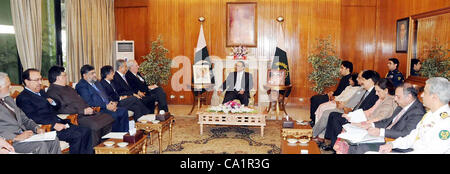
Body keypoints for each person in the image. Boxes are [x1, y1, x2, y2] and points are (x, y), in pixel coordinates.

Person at [16, 69, 93, 154]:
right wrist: (54, 125)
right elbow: (31, 118)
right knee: (77, 135)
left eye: (40, 79)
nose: (40, 82)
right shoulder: (23, 98)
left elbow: (56, 107)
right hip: (47, 128)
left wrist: (52, 102)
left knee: (86, 130)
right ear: (27, 81)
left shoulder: (41, 92)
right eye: (36, 80)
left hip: (59, 121)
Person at [378, 77, 450, 154]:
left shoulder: (446, 122)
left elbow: (432, 151)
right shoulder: (429, 115)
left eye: (425, 92)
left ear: (434, 97)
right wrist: (392, 144)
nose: (421, 95)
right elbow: (413, 137)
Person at [348, 83, 425, 154]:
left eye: (398, 96)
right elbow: (387, 122)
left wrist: (381, 132)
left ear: (409, 97)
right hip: (385, 137)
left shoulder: (417, 111)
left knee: (360, 147)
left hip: (395, 143)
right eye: (395, 96)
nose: (395, 99)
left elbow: (406, 133)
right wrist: (370, 125)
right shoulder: (401, 105)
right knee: (354, 144)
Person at [47, 66, 115, 146]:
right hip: (77, 116)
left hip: (87, 113)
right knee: (94, 125)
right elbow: (61, 109)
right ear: (58, 78)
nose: (66, 77)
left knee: (108, 118)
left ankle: (100, 144)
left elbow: (81, 101)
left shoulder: (69, 88)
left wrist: (88, 108)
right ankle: (93, 148)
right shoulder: (52, 91)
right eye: (64, 75)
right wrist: (82, 111)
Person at [0, 72, 60, 154]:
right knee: (40, 145)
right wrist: (15, 137)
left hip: (25, 135)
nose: (11, 88)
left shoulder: (8, 99)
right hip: (10, 141)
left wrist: (36, 128)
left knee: (54, 140)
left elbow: (24, 119)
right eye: (8, 86)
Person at [322, 70, 380, 151]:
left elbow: (367, 111)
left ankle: (336, 147)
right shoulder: (367, 91)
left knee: (336, 118)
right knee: (333, 114)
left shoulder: (375, 94)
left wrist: (351, 115)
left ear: (370, 81)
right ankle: (331, 143)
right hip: (354, 114)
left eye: (363, 80)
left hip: (361, 119)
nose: (361, 82)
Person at [313, 71, 365, 142]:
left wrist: (344, 106)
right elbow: (346, 99)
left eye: (360, 78)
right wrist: (338, 100)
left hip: (348, 110)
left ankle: (313, 134)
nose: (358, 79)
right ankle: (316, 134)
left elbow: (354, 104)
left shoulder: (361, 90)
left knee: (327, 113)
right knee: (324, 109)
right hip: (343, 106)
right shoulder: (360, 89)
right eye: (358, 78)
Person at [76, 65, 129, 132]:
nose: (95, 75)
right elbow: (89, 102)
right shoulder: (81, 86)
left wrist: (112, 103)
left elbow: (105, 95)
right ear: (84, 75)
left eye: (94, 72)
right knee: (114, 115)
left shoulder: (96, 82)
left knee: (123, 111)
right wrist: (106, 106)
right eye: (92, 73)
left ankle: (124, 134)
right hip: (98, 109)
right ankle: (114, 137)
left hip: (107, 105)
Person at [309, 61, 353, 126]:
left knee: (315, 99)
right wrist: (332, 92)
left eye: (342, 68)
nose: (340, 70)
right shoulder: (344, 78)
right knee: (314, 98)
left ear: (347, 69)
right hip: (334, 96)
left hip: (336, 99)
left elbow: (343, 94)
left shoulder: (349, 80)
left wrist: (332, 95)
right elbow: (339, 90)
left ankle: (315, 121)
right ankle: (314, 119)